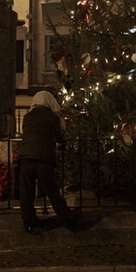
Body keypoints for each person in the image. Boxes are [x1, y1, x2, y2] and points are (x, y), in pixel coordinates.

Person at [17, 91, 80, 233]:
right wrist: (62, 126)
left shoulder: (27, 117)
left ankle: (28, 222)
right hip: (44, 158)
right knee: (52, 191)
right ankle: (67, 218)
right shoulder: (52, 117)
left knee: (26, 192)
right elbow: (60, 138)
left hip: (26, 158)